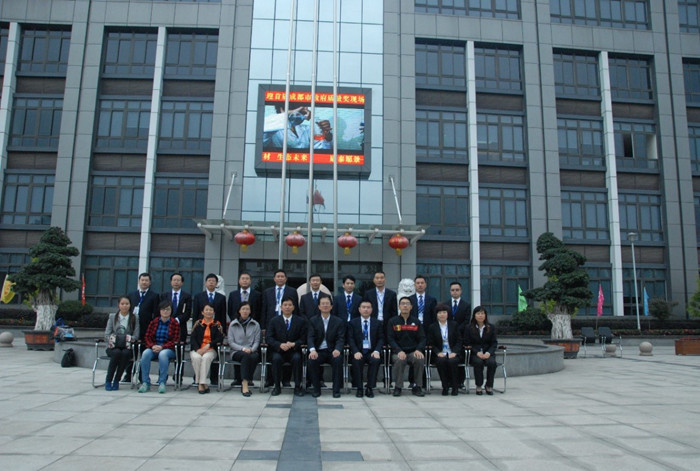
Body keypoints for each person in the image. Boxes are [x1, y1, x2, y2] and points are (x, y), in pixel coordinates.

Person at [266, 297, 307, 396]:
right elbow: (269, 338)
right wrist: (279, 345)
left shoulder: (300, 321)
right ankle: (277, 386)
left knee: (297, 359)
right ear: (281, 307)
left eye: (290, 305)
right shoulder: (274, 321)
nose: (287, 307)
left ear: (293, 307)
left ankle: (297, 387)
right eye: (285, 305)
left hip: (293, 350)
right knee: (276, 359)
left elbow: (303, 338)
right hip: (278, 350)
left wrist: (294, 344)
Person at [387, 297, 426, 397]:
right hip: (398, 352)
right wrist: (399, 351)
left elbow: (422, 338)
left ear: (411, 307)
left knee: (419, 359)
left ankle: (417, 386)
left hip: (413, 351)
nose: (405, 306)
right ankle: (398, 387)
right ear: (399, 306)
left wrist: (418, 350)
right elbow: (390, 339)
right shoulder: (393, 321)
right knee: (400, 360)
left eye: (407, 304)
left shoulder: (416, 321)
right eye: (402, 304)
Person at [139, 299, 180, 393]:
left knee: (163, 354)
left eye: (168, 309)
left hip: (168, 349)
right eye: (163, 309)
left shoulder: (174, 323)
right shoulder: (154, 322)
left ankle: (162, 382)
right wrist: (152, 346)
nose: (165, 311)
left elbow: (175, 340)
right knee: (145, 354)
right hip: (154, 347)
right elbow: (147, 337)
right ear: (160, 310)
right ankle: (145, 382)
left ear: (171, 311)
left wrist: (162, 347)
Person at [307, 296, 345, 398]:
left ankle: (336, 390)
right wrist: (312, 350)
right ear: (319, 306)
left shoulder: (338, 321)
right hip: (319, 351)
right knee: (312, 360)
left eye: (327, 304)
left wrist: (338, 349)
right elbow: (310, 337)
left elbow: (340, 338)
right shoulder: (313, 320)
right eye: (323, 304)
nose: (325, 306)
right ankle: (316, 389)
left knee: (338, 359)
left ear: (331, 306)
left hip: (332, 350)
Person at [124, 273, 158, 382]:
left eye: (146, 280)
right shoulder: (131, 295)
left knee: (144, 353)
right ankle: (128, 375)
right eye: (142, 280)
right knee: (131, 352)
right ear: (139, 281)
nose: (144, 282)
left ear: (150, 282)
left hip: (146, 329)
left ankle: (142, 376)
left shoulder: (154, 296)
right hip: (133, 328)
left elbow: (156, 313)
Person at [347, 300, 384, 398]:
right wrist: (355, 351)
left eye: (368, 307)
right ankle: (359, 388)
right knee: (356, 361)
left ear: (371, 310)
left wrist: (377, 351)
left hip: (372, 351)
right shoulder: (353, 323)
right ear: (359, 309)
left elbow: (381, 338)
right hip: (359, 351)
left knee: (375, 360)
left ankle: (370, 388)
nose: (366, 309)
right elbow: (350, 339)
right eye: (363, 307)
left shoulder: (377, 323)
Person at [103, 296, 139, 391]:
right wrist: (114, 339)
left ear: (130, 305)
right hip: (113, 347)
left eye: (127, 304)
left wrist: (128, 339)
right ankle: (108, 380)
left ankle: (116, 380)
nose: (124, 306)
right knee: (116, 353)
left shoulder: (134, 317)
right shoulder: (112, 317)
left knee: (125, 354)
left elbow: (136, 335)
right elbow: (107, 334)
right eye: (122, 304)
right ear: (118, 305)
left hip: (127, 347)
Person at [426, 303, 462, 396]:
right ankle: (445, 386)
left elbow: (459, 341)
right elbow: (431, 343)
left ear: (448, 314)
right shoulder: (432, 327)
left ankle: (455, 386)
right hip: (439, 353)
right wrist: (438, 352)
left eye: (444, 312)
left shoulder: (454, 325)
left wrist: (454, 352)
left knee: (452, 361)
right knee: (441, 361)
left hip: (452, 352)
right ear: (436, 314)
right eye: (439, 313)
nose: (442, 315)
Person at [461, 305, 498, 395]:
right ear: (474, 315)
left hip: (487, 353)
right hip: (474, 353)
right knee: (478, 362)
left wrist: (488, 353)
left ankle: (489, 385)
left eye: (482, 313)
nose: (480, 316)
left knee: (492, 363)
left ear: (485, 315)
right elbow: (467, 343)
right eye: (478, 314)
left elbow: (494, 343)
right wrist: (477, 352)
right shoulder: (469, 328)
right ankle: (479, 385)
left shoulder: (491, 327)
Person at [227, 301, 261, 397]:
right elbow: (231, 342)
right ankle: (245, 383)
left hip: (251, 350)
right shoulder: (233, 324)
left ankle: (246, 379)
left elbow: (257, 341)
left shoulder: (255, 324)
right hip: (237, 351)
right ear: (239, 311)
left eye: (247, 309)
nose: (245, 311)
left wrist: (251, 349)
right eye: (243, 309)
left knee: (254, 357)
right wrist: (243, 349)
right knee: (246, 356)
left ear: (250, 311)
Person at [190, 303, 224, 394]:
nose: (209, 312)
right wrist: (198, 349)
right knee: (196, 357)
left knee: (205, 358)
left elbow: (220, 338)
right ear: (202, 312)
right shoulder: (198, 324)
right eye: (207, 310)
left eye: (211, 310)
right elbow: (193, 338)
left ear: (214, 312)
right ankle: (202, 383)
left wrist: (209, 345)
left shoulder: (217, 325)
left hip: (210, 350)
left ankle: (200, 383)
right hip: (197, 349)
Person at [160, 272, 192, 343]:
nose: (176, 282)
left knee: (180, 346)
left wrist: (177, 320)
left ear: (182, 283)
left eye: (178, 280)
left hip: (181, 326)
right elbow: (161, 309)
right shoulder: (164, 295)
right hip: (166, 325)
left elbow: (188, 312)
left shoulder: (187, 296)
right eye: (174, 280)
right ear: (171, 282)